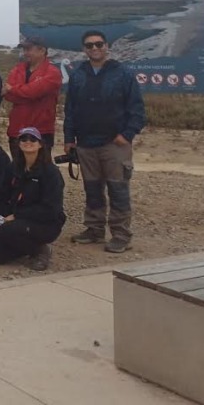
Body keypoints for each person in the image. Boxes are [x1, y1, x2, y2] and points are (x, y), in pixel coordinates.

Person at [64, 30, 145, 254]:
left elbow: (137, 110)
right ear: (84, 49)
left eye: (98, 44)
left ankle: (121, 234)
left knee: (118, 189)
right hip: (86, 143)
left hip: (114, 144)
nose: (94, 49)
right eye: (89, 46)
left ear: (107, 46)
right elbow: (70, 109)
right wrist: (69, 138)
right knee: (92, 189)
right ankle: (94, 228)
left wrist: (126, 135)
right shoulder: (78, 75)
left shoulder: (123, 74)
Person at [0, 127, 66, 271]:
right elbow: (2, 195)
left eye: (33, 139)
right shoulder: (14, 167)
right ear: (19, 143)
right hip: (15, 218)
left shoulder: (50, 172)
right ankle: (22, 246)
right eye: (24, 139)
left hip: (44, 222)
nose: (28, 142)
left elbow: (51, 209)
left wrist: (16, 216)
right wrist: (1, 215)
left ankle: (40, 250)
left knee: (7, 229)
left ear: (40, 144)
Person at [4, 36, 62, 159]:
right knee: (18, 169)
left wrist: (14, 89)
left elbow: (33, 91)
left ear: (42, 51)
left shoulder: (53, 72)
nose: (25, 53)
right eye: (24, 49)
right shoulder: (17, 69)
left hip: (41, 130)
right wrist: (28, 93)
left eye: (29, 49)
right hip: (17, 129)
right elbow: (9, 96)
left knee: (41, 171)